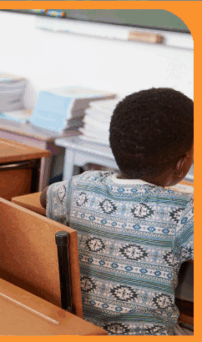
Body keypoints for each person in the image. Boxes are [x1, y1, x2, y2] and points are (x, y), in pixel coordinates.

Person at [41, 88, 194, 335]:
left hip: (80, 329)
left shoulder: (80, 186)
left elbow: (44, 196)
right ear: (182, 164)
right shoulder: (184, 211)